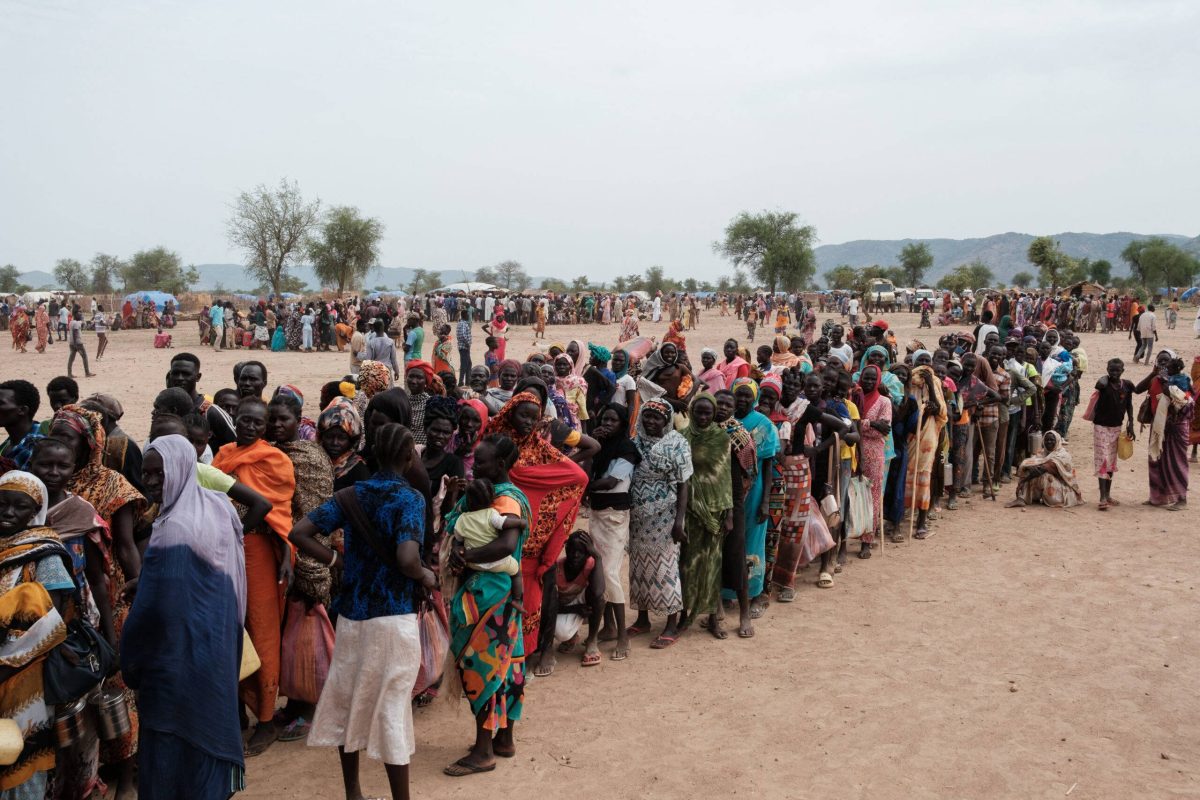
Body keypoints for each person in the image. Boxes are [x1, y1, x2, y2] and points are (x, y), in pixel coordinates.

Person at [291, 423, 435, 799]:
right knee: (392, 709)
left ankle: (353, 792)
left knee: (347, 700)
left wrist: (337, 560)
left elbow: (300, 532)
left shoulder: (350, 495)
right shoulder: (410, 499)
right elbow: (407, 557)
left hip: (352, 616)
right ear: (408, 457)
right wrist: (426, 575)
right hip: (392, 616)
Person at [121, 434, 247, 800]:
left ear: (181, 468)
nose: (152, 481)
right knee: (206, 734)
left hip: (176, 660)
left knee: (173, 749)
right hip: (217, 645)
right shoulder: (217, 506)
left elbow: (159, 611)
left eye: (159, 473)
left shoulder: (173, 528)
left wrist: (131, 661)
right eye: (146, 474)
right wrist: (148, 580)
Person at [211, 397, 297, 757]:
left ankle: (265, 721)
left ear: (265, 429)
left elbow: (280, 511)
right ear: (234, 419)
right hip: (221, 552)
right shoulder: (223, 455)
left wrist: (288, 554)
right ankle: (236, 713)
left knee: (262, 632)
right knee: (230, 630)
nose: (250, 427)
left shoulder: (275, 459)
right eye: (244, 420)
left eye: (257, 424)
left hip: (259, 550)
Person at [441, 435, 529, 777]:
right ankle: (503, 739)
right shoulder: (501, 497)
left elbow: (506, 544)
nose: (474, 467)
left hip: (488, 594)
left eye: (481, 463)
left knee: (484, 667)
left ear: (502, 466)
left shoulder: (504, 502)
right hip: (505, 590)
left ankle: (482, 751)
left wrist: (465, 558)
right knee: (508, 664)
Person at [483, 391, 588, 671]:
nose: (529, 422)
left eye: (534, 417)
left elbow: (578, 477)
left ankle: (523, 657)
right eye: (523, 415)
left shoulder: (539, 446)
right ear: (510, 413)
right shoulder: (495, 441)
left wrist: (540, 490)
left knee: (528, 602)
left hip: (527, 537)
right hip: (494, 528)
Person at [0, 471, 76, 800]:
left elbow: (53, 621)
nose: (8, 512)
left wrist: (9, 660)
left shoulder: (45, 552)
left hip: (27, 673)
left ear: (35, 512)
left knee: (21, 755)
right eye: (1, 504)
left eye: (20, 507)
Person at [626, 399, 693, 649]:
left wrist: (679, 521)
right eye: (648, 416)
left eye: (657, 418)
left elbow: (683, 484)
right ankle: (642, 619)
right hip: (639, 516)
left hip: (665, 516)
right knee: (639, 566)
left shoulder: (677, 444)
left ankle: (671, 625)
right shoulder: (636, 442)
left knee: (666, 567)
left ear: (667, 420)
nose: (651, 421)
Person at [586, 403, 640, 660]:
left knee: (609, 572)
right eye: (604, 419)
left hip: (615, 514)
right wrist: (591, 447)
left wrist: (584, 487)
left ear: (622, 424)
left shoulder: (627, 449)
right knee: (597, 570)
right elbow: (587, 471)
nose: (607, 424)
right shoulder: (600, 447)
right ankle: (607, 626)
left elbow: (611, 482)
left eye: (613, 420)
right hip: (598, 512)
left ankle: (622, 636)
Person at [678, 393, 732, 636]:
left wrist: (729, 513)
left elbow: (725, 477)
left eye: (707, 413)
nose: (702, 417)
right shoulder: (681, 437)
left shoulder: (721, 438)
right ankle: (683, 614)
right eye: (698, 412)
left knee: (712, 565)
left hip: (715, 510)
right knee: (687, 564)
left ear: (713, 415)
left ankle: (712, 618)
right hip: (688, 509)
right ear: (690, 412)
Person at [1135, 350, 1193, 509]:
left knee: (1176, 462)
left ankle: (1181, 499)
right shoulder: (1156, 378)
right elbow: (1137, 389)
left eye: (1166, 361)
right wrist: (1153, 373)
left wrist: (1168, 384)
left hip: (1176, 426)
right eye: (1160, 361)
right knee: (1156, 460)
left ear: (1173, 362)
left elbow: (1188, 401)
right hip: (1158, 425)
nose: (1163, 364)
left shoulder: (1181, 379)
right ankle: (1157, 497)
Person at [856, 365, 892, 556]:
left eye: (872, 379)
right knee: (852, 492)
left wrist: (863, 424)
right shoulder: (855, 396)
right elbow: (849, 422)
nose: (868, 382)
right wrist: (870, 424)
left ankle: (867, 541)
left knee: (872, 494)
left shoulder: (884, 401)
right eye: (866, 378)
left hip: (874, 451)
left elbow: (883, 428)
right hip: (853, 449)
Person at [1091, 358, 1135, 510]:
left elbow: (1129, 405)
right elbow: (1100, 384)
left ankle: (1107, 495)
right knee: (1102, 459)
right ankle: (1102, 497)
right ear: (1107, 369)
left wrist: (1131, 424)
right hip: (1101, 427)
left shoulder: (1127, 385)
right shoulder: (1104, 384)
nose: (1114, 373)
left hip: (1117, 427)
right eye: (1111, 370)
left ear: (1123, 371)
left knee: (1111, 461)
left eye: (1117, 370)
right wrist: (1105, 377)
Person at [1006, 430, 1083, 508]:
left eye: (1052, 440)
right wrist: (1029, 468)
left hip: (1063, 489)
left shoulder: (1063, 455)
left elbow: (1043, 468)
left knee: (1044, 475)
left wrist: (1023, 481)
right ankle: (1022, 499)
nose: (1049, 442)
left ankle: (1024, 496)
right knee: (1030, 469)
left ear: (1057, 441)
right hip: (1051, 486)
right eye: (1046, 440)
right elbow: (1029, 463)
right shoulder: (1042, 453)